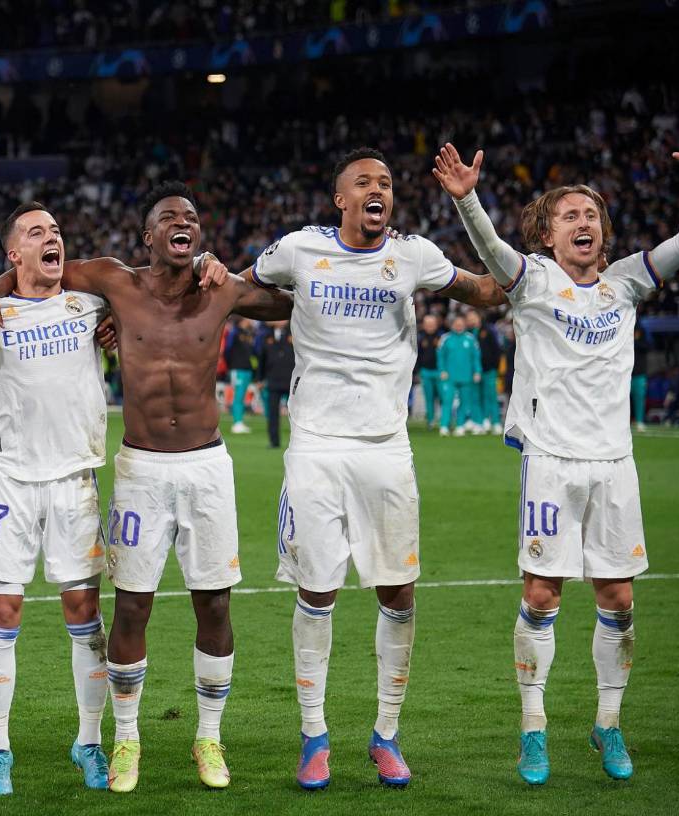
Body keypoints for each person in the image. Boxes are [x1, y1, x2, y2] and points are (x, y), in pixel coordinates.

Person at [433, 118, 679, 785]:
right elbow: (489, 250)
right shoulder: (533, 279)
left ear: (603, 230)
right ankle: (534, 729)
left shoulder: (626, 282)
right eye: (569, 214)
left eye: (592, 214)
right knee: (542, 595)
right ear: (548, 234)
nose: (583, 221)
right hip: (551, 461)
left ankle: (607, 722)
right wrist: (466, 198)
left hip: (615, 465)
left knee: (619, 598)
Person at [0, 181, 292, 793]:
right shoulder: (113, 282)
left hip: (207, 465)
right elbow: (39, 276)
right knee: (131, 604)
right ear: (147, 236)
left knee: (215, 602)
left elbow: (284, 303)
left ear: (198, 236)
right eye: (169, 216)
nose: (183, 222)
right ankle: (122, 740)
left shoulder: (220, 289)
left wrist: (241, 269)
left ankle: (209, 737)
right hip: (139, 469)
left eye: (192, 218)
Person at [243, 146, 507, 791]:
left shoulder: (414, 255)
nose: (377, 188)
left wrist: (527, 266)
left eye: (385, 182)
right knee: (316, 590)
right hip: (315, 444)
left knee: (398, 592)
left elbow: (486, 291)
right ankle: (314, 736)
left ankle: (386, 735)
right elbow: (243, 288)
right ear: (340, 198)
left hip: (387, 446)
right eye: (363, 181)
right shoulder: (299, 248)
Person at [0, 202, 116, 796]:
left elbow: (136, 287)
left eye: (57, 230)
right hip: (10, 480)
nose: (52, 237)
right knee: (3, 611)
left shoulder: (90, 303)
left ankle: (90, 741)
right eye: (37, 233)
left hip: (75, 481)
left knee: (83, 613)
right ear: (14, 255)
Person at [437, 313, 482, 437]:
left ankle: (460, 425)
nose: (458, 326)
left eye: (461, 324)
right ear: (452, 325)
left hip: (466, 376)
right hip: (449, 377)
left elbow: (476, 357)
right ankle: (444, 426)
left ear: (464, 325)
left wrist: (477, 371)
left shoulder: (471, 339)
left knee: (464, 402)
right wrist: (442, 370)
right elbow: (440, 356)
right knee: (447, 401)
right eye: (456, 324)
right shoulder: (445, 338)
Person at [257, 320, 295, 448]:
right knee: (272, 414)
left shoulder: (294, 332)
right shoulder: (266, 336)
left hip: (290, 380)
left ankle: (296, 441)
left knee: (295, 414)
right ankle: (274, 441)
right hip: (273, 380)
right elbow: (262, 359)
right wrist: (260, 379)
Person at [468, 309, 504, 433]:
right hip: (474, 372)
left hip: (489, 370)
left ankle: (495, 423)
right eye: (469, 317)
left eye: (473, 316)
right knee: (476, 397)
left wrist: (495, 366)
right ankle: (480, 422)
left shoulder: (489, 330)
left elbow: (497, 349)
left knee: (491, 397)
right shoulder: (468, 333)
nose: (471, 319)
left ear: (479, 316)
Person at [225, 318, 256, 433]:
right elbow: (227, 350)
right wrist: (232, 365)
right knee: (238, 395)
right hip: (237, 369)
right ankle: (236, 423)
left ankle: (240, 421)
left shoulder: (248, 333)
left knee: (242, 396)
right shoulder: (234, 332)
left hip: (247, 369)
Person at [415, 313, 443, 429]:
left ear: (436, 324)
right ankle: (431, 421)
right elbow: (416, 355)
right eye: (427, 324)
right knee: (429, 398)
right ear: (424, 325)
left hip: (440, 371)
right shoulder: (420, 338)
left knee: (443, 397)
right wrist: (418, 371)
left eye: (432, 323)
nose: (430, 326)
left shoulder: (442, 337)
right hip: (426, 372)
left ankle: (444, 421)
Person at [631, 319, 650, 431]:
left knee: (639, 398)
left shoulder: (641, 328)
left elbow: (648, 345)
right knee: (621, 399)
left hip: (639, 372)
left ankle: (639, 421)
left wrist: (632, 341)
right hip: (624, 372)